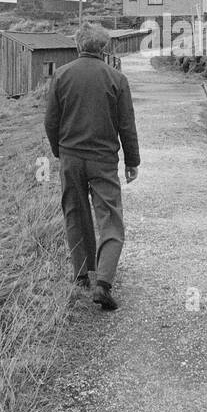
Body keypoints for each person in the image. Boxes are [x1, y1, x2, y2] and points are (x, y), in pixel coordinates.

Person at [43, 24, 140, 311]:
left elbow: (51, 122)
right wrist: (132, 161)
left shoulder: (61, 76)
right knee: (110, 218)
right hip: (103, 160)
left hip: (71, 158)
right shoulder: (117, 79)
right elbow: (126, 125)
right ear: (105, 49)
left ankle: (81, 274)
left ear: (77, 46)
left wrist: (59, 152)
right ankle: (104, 283)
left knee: (75, 213)